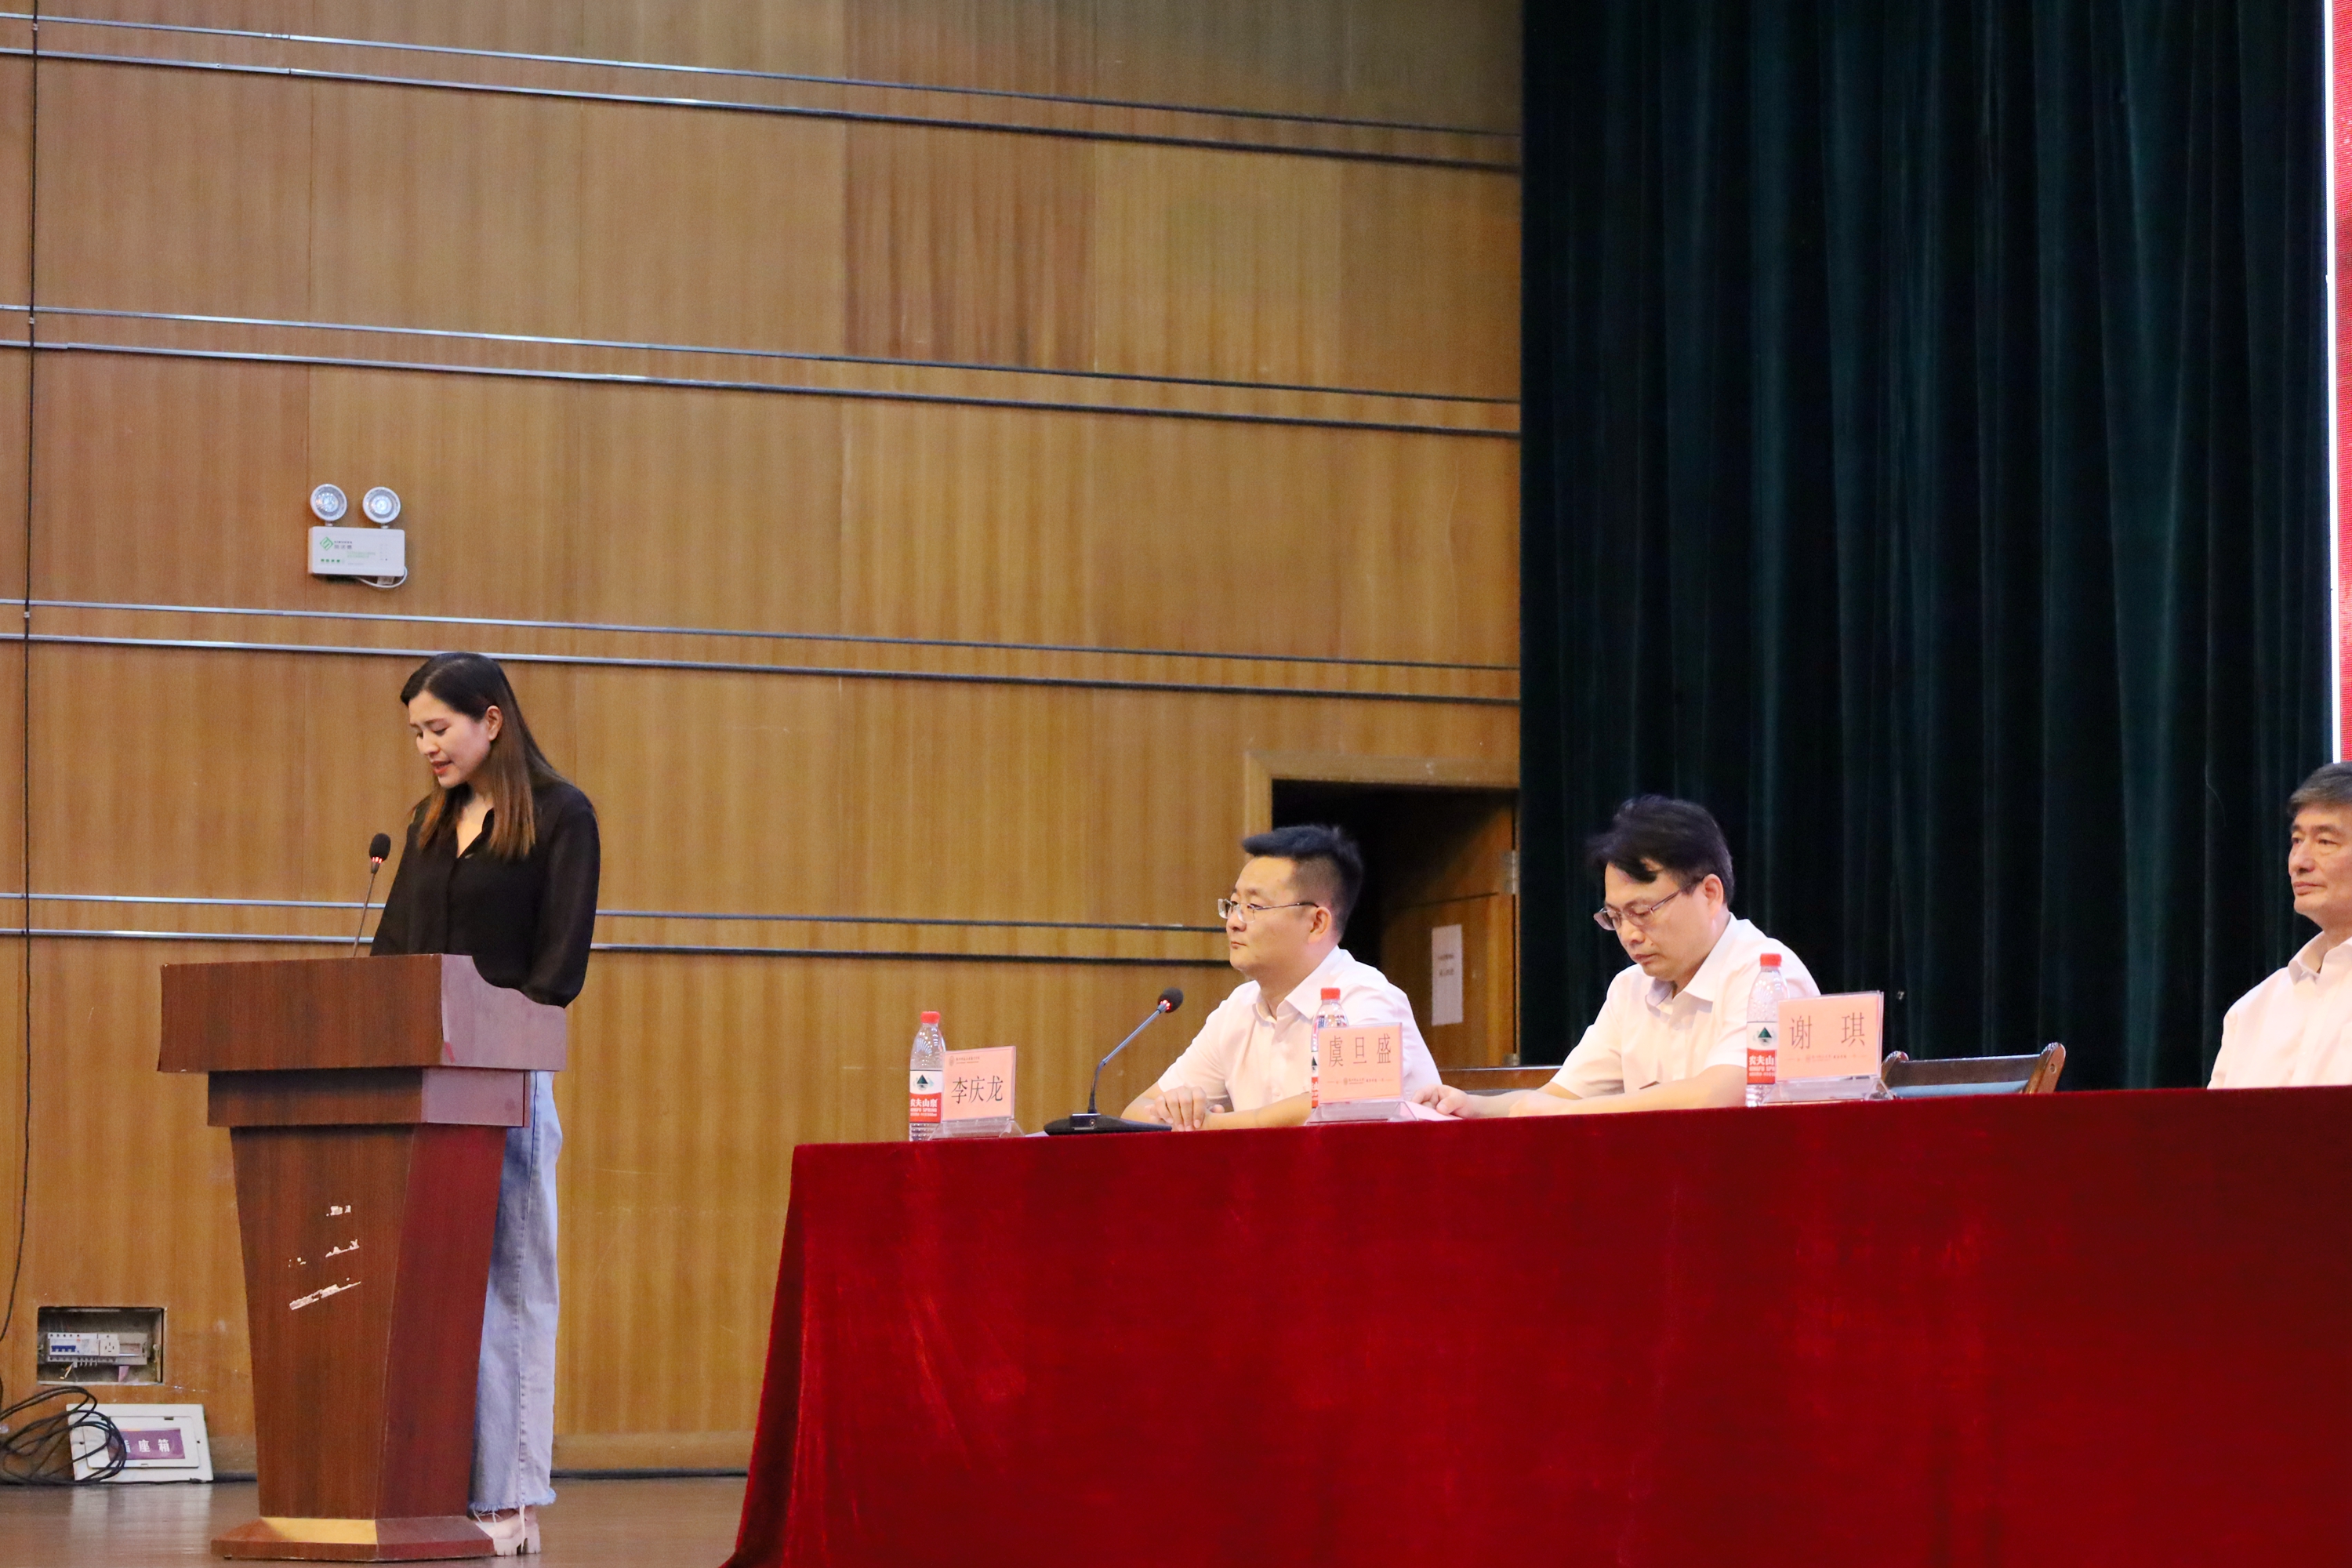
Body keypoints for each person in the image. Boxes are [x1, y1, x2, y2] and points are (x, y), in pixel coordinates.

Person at [370, 652, 600, 1557]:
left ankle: (509, 1495)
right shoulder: (426, 825)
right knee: (430, 1295)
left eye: (439, 727)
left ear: (491, 720)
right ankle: (430, 1482)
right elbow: (392, 956)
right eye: (416, 733)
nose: (426, 746)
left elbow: (558, 970)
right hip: (420, 1091)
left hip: (506, 1082)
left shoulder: (561, 815)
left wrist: (491, 1032)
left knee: (509, 1288)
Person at [1414, 795, 1814, 1118]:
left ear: (1710, 894)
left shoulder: (1766, 974)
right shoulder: (1631, 988)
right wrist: (1474, 1106)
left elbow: (1718, 1096)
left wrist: (1568, 1113)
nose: (1629, 935)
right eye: (1616, 917)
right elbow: (1559, 1097)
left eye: (1643, 912)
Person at [1122, 824, 1438, 1129]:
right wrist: (1178, 1110)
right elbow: (1135, 1114)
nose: (1233, 922)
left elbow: (1344, 1102)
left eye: (1253, 907)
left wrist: (1216, 1126)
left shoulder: (1365, 997)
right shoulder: (1238, 1009)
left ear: (1316, 923)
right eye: (1233, 904)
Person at [2209, 762, 2352, 1088]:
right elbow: (2216, 1122)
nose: (2299, 862)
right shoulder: (2253, 1011)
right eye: (2297, 840)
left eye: (2325, 842)